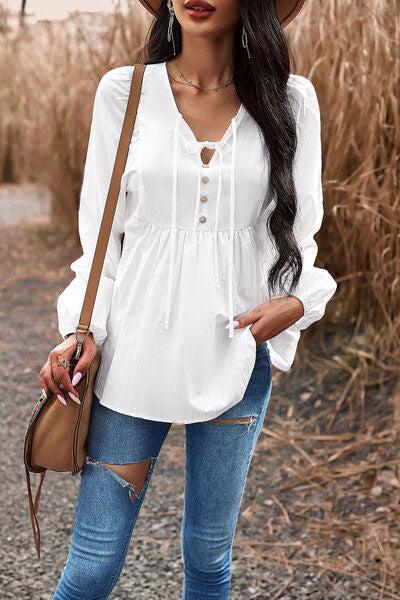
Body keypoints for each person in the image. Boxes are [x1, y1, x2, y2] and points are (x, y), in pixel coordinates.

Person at [42, 0, 337, 597]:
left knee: (208, 556)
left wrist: (301, 300)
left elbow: (301, 232)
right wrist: (83, 327)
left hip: (236, 351)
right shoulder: (123, 93)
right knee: (94, 560)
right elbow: (100, 236)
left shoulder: (292, 100)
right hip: (132, 353)